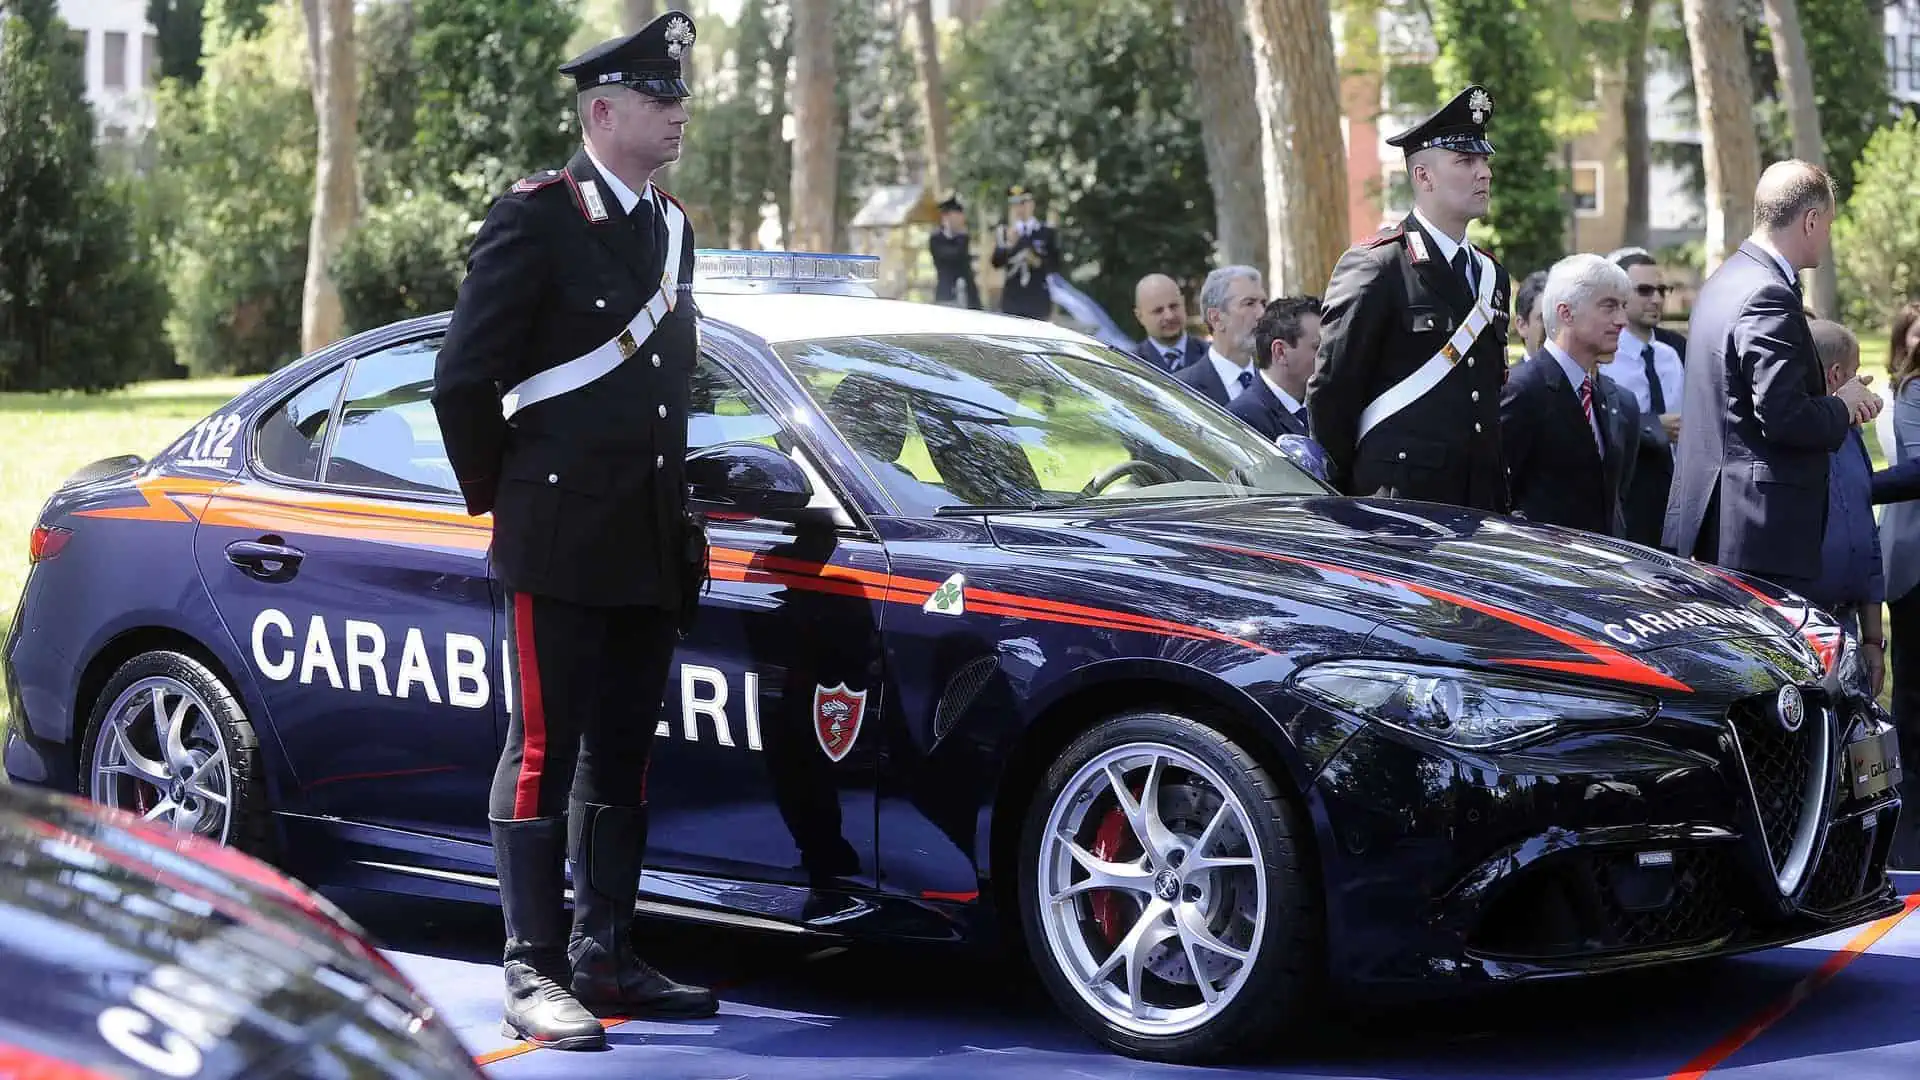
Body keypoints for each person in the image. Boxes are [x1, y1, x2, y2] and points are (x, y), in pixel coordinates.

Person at [430, 11, 718, 1052]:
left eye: (679, 96)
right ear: (602, 111)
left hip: (644, 537)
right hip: (555, 534)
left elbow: (663, 394)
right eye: (659, 98)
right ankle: (532, 967)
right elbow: (464, 376)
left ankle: (606, 951)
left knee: (624, 758)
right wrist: (505, 497)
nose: (677, 113)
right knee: (544, 749)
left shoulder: (672, 227)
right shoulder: (538, 218)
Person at [1662, 160, 1881, 595]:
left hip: (1720, 521)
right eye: (1829, 225)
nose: (1829, 237)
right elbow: (1783, 415)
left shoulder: (1726, 279)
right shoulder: (1767, 292)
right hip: (1756, 535)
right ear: (1811, 220)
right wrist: (1843, 403)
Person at [1305, 84, 1510, 511]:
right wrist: (1353, 493)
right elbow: (1332, 393)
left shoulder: (1491, 275)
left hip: (1481, 503)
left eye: (1484, 160)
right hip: (1400, 505)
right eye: (1465, 161)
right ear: (1423, 175)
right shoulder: (1377, 266)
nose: (1484, 173)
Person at [1499, 254, 1633, 535]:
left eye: (1623, 307)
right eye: (1608, 306)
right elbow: (1494, 498)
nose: (1622, 320)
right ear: (1566, 313)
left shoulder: (1599, 394)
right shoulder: (1521, 390)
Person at [1801, 320, 1886, 695]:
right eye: (1855, 375)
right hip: (1802, 632)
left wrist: (1872, 639)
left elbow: (1867, 537)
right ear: (1836, 376)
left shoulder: (1852, 437)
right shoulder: (1786, 445)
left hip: (1848, 626)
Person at [1605, 249, 1686, 547]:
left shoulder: (1671, 355)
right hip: (1627, 498)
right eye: (1644, 290)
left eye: (1662, 290)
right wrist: (1652, 426)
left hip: (1673, 499)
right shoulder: (1605, 356)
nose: (1657, 299)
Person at [1229, 295, 1321, 440]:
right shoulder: (1243, 420)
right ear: (1280, 352)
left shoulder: (1323, 406)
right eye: (1318, 347)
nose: (1328, 355)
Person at [1175, 265, 1266, 407]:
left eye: (1263, 303)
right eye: (1249, 303)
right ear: (1216, 318)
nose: (1261, 313)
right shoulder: (1183, 390)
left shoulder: (1273, 385)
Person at [990, 185, 1061, 319]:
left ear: (1031, 204)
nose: (1019, 209)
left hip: (1037, 301)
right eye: (1014, 205)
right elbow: (996, 263)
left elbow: (1055, 265)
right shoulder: (1004, 232)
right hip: (1012, 301)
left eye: (1023, 203)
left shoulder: (1045, 232)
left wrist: (1036, 260)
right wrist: (1009, 244)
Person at [1131, 273, 1208, 373]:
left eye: (1174, 306)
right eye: (1158, 311)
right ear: (1139, 316)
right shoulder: (1132, 366)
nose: (1169, 316)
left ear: (1183, 303)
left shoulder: (1213, 357)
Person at [928, 192, 980, 309]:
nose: (962, 219)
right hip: (947, 296)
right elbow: (951, 256)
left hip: (968, 297)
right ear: (946, 216)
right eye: (958, 215)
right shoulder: (937, 238)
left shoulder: (963, 237)